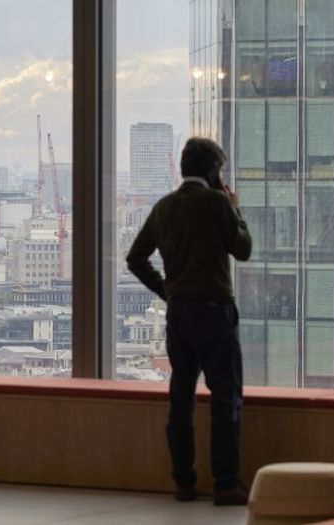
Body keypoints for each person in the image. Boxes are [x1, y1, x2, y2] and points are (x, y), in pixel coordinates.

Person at [126, 137, 252, 505]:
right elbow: (242, 249)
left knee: (181, 398)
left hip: (179, 313)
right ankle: (226, 483)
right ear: (214, 171)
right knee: (225, 398)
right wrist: (235, 208)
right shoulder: (217, 203)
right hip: (215, 311)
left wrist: (166, 290)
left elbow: (136, 257)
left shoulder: (164, 207)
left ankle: (184, 481)